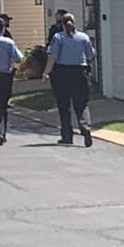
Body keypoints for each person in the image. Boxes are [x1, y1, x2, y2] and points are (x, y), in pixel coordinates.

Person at [43, 13, 95, 147]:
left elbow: (52, 57)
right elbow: (91, 56)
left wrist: (46, 72)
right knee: (82, 104)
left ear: (61, 24)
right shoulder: (83, 37)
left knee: (64, 105)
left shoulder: (58, 37)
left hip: (63, 73)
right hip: (80, 73)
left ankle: (67, 135)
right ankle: (85, 128)